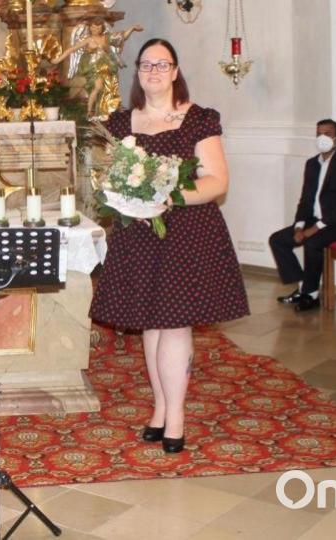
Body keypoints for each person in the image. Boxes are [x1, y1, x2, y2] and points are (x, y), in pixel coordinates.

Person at [89, 39, 249, 453]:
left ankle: (176, 417)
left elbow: (217, 181)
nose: (154, 72)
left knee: (175, 323)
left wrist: (169, 197)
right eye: (146, 65)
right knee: (151, 322)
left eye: (162, 65)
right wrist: (124, 199)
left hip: (186, 233)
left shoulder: (198, 119)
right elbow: (109, 180)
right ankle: (160, 409)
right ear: (137, 72)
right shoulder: (121, 123)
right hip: (139, 234)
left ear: (176, 71)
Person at [268, 119, 336, 312]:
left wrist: (313, 229)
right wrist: (299, 227)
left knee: (313, 242)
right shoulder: (312, 164)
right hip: (315, 221)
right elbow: (306, 199)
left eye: (327, 134)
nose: (322, 138)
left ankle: (310, 295)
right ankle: (303, 286)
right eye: (319, 134)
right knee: (278, 240)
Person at [52, 18, 143, 120]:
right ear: (90, 27)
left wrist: (132, 28)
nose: (95, 29)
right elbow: (71, 49)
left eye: (98, 27)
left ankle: (103, 110)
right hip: (94, 69)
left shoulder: (106, 38)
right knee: (98, 87)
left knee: (108, 89)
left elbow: (122, 37)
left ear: (102, 28)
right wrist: (58, 59)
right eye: (93, 27)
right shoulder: (88, 40)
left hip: (107, 68)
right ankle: (89, 111)